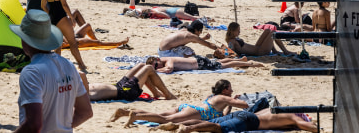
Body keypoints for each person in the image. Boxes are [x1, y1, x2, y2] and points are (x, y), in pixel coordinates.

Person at [10, 10, 93, 132]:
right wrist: (62, 127)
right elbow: (86, 112)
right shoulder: (68, 65)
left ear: (25, 41)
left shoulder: (32, 72)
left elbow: (34, 125)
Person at [111, 79, 249, 127]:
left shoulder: (213, 96)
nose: (232, 90)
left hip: (187, 107)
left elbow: (223, 114)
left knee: (158, 115)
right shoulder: (224, 98)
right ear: (225, 90)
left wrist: (231, 104)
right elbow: (245, 105)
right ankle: (135, 116)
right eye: (230, 88)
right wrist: (235, 100)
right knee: (165, 120)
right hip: (196, 112)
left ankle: (124, 112)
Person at [41, 0, 88, 71]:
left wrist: (50, 13)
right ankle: (81, 65)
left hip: (53, 19)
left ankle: (56, 66)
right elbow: (64, 4)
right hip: (61, 17)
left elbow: (43, 6)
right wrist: (71, 17)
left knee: (58, 45)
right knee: (73, 43)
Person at [162, 109, 319, 132]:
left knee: (216, 122)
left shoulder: (274, 111)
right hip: (250, 120)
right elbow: (307, 127)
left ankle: (177, 125)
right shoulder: (292, 116)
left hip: (244, 114)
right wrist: (315, 126)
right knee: (218, 128)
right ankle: (187, 129)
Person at [85, 62, 177, 102]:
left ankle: (156, 93)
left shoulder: (77, 88)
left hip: (118, 85)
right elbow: (82, 74)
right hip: (125, 92)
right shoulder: (80, 95)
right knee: (149, 68)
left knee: (141, 65)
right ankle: (168, 95)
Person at [225, 22, 293, 56]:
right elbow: (231, 51)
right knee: (273, 33)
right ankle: (285, 51)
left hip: (257, 47)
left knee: (267, 30)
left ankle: (274, 50)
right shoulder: (231, 41)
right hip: (260, 52)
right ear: (232, 31)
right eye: (238, 30)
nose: (239, 32)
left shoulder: (234, 39)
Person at [153, 55, 263, 73]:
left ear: (158, 59)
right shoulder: (165, 60)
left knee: (224, 66)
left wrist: (156, 70)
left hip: (199, 64)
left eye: (156, 64)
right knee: (217, 62)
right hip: (198, 60)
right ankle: (241, 60)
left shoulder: (168, 61)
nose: (158, 67)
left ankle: (252, 64)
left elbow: (169, 69)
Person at [123, 5, 211, 22]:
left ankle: (207, 18)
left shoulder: (155, 11)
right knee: (192, 17)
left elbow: (167, 16)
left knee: (193, 18)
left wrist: (157, 15)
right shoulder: (146, 9)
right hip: (174, 10)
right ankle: (206, 17)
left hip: (176, 12)